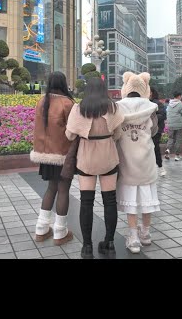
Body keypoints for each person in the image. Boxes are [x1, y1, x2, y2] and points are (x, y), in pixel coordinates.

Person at [66, 77, 124, 259]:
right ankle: (110, 243)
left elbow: (69, 135)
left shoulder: (79, 108)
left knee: (86, 201)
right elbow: (118, 133)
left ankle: (87, 246)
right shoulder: (113, 107)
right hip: (108, 156)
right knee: (109, 201)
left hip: (86, 157)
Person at [115, 72, 160, 254]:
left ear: (126, 88)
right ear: (145, 89)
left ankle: (133, 238)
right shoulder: (151, 108)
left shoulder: (118, 107)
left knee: (131, 201)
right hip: (146, 160)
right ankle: (146, 234)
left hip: (126, 160)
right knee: (147, 199)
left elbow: (115, 132)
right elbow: (154, 131)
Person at [30, 72, 76, 246]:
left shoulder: (42, 101)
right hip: (63, 154)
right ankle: (60, 231)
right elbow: (73, 131)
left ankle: (41, 228)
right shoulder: (68, 103)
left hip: (45, 154)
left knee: (51, 189)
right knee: (63, 190)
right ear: (64, 84)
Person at [165, 92, 182, 161]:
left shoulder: (169, 104)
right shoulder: (180, 105)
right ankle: (177, 156)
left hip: (170, 124)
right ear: (179, 96)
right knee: (178, 140)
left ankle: (168, 150)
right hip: (179, 125)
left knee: (171, 138)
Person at [150, 87, 167, 175]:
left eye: (149, 92)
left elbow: (163, 115)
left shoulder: (157, 103)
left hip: (156, 130)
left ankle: (160, 167)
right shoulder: (144, 103)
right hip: (146, 130)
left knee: (155, 148)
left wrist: (152, 118)